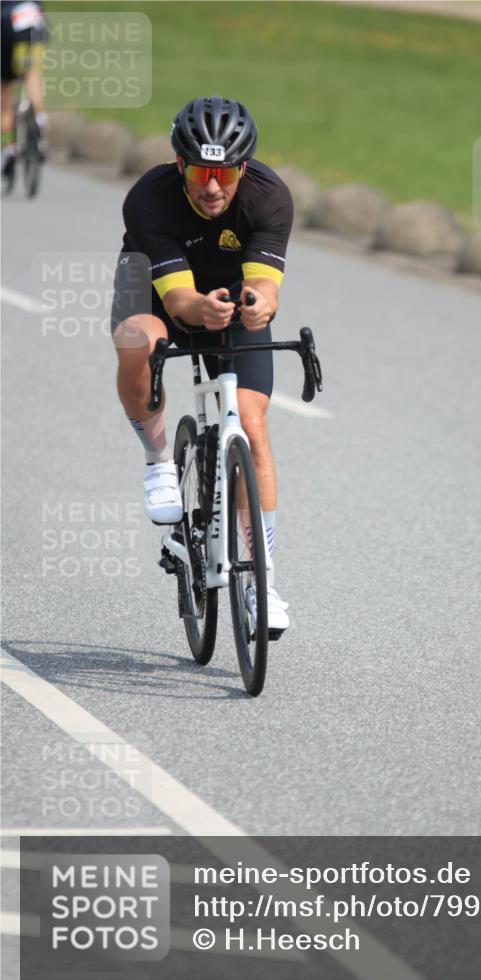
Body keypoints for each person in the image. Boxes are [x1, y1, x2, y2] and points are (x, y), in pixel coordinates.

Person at [111, 95, 294, 634]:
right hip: (153, 287)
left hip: (229, 295)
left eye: (223, 173)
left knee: (254, 427)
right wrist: (200, 309)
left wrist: (260, 303)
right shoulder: (148, 198)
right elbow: (179, 302)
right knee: (136, 341)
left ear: (242, 167)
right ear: (178, 164)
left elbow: (263, 283)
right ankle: (157, 462)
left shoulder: (269, 197)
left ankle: (264, 583)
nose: (211, 187)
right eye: (198, 171)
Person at [1, 0, 48, 177]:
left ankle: (9, 147)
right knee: (32, 73)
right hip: (32, 17)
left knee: (5, 92)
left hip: (6, 21)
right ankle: (40, 119)